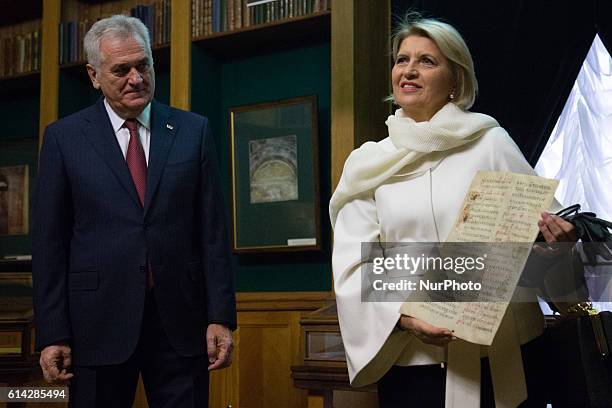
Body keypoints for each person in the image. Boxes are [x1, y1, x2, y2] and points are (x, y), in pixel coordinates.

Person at [329, 13, 581, 408]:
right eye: (401, 59)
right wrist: (404, 318)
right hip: (414, 362)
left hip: (506, 355)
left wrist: (553, 249)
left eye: (427, 61)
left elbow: (540, 245)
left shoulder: (492, 144)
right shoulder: (367, 164)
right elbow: (354, 267)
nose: (409, 70)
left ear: (455, 81)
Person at [32, 15, 236, 407]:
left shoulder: (193, 131)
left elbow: (212, 232)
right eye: (121, 70)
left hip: (181, 322)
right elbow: (49, 244)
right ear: (93, 75)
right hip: (95, 324)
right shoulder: (64, 139)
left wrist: (221, 316)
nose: (136, 78)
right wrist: (53, 332)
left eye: (143, 65)